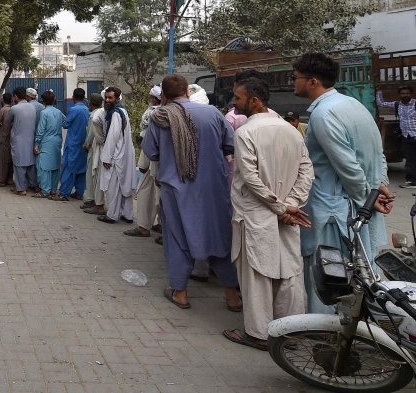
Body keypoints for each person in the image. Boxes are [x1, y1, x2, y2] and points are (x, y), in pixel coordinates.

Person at [293, 53, 395, 312]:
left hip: (334, 211)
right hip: (351, 205)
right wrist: (377, 188)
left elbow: (347, 165)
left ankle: (326, 336)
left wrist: (367, 201)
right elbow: (376, 153)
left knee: (328, 277)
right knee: (353, 273)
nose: (294, 83)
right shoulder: (352, 104)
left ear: (312, 81)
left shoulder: (324, 114)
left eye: (296, 78)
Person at [224, 76, 314, 351]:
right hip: (285, 212)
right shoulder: (290, 130)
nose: (234, 103)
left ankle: (259, 334)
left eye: (238, 98)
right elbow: (306, 171)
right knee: (289, 273)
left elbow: (250, 178)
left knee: (256, 275)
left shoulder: (245, 133)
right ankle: (291, 332)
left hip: (257, 213)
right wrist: (291, 204)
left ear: (254, 101)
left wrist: (282, 207)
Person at [142, 74, 242, 312]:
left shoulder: (161, 117)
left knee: (177, 239)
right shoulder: (214, 113)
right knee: (219, 236)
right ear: (187, 91)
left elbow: (151, 152)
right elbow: (229, 146)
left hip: (177, 190)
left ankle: (181, 292)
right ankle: (232, 296)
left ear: (164, 96)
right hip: (213, 189)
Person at [124, 86, 162, 237]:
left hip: (152, 158)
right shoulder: (168, 111)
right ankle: (160, 225)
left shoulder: (152, 113)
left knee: (145, 190)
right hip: (165, 161)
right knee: (160, 195)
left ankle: (143, 227)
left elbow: (148, 137)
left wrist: (143, 164)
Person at [97, 86, 135, 223]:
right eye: (106, 97)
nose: (107, 100)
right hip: (124, 152)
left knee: (113, 186)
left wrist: (107, 157)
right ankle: (127, 214)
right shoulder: (122, 110)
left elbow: (112, 137)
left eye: (110, 98)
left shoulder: (115, 113)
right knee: (124, 185)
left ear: (117, 98)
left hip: (116, 154)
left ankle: (112, 215)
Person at [376, 85, 415, 189]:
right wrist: (379, 92)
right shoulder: (398, 105)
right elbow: (381, 103)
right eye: (403, 93)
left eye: (407, 93)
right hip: (406, 136)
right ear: (399, 95)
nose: (405, 95)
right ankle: (412, 181)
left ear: (411, 94)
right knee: (410, 159)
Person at [59, 88, 90, 201]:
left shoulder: (73, 109)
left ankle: (64, 193)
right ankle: (79, 192)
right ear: (84, 97)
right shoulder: (87, 110)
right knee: (81, 169)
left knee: (68, 167)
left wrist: (63, 120)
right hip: (84, 143)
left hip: (73, 143)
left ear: (73, 97)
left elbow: (66, 125)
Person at [34, 90, 65, 200]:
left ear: (43, 101)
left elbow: (41, 130)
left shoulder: (44, 112)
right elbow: (65, 122)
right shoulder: (58, 111)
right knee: (55, 166)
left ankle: (45, 190)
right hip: (57, 141)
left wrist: (36, 144)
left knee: (44, 167)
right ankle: (53, 189)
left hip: (47, 141)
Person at [82, 93, 107, 213]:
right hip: (100, 148)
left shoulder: (93, 116)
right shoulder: (102, 112)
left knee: (91, 175)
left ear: (90, 104)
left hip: (94, 148)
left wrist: (86, 144)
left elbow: (91, 133)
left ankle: (93, 200)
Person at [10, 87, 37, 195]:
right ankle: (33, 186)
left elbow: (7, 122)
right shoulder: (32, 107)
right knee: (30, 164)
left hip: (18, 140)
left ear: (16, 96)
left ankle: (21, 189)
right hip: (30, 140)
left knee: (19, 165)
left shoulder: (15, 108)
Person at [0, 95, 13, 187]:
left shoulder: (3, 110)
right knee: (9, 160)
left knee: (1, 161)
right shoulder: (12, 109)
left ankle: (1, 181)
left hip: (2, 138)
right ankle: (9, 179)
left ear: (3, 100)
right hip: (11, 138)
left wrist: (0, 124)